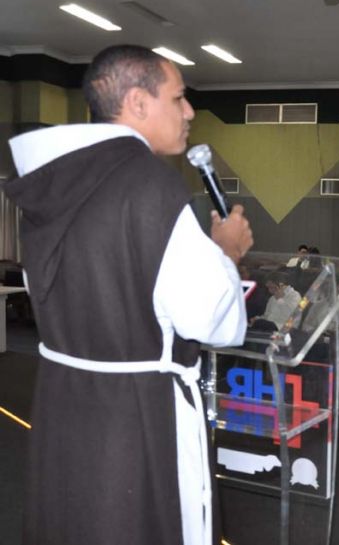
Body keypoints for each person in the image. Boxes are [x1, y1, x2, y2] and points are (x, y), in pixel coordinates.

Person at [5, 45, 254, 545]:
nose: (190, 112)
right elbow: (211, 321)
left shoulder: (52, 185)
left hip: (61, 397)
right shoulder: (150, 186)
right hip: (136, 414)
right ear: (138, 103)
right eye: (180, 98)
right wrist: (226, 254)